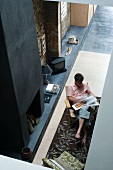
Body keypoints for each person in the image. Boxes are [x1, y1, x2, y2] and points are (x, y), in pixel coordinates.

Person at [67, 73, 94, 144]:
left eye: (81, 82)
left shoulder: (84, 85)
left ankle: (79, 131)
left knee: (84, 109)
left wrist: (93, 97)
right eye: (79, 83)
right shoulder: (70, 86)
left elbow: (89, 92)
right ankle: (85, 134)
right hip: (77, 104)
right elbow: (69, 97)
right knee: (84, 112)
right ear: (75, 81)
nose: (80, 84)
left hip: (85, 102)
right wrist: (77, 100)